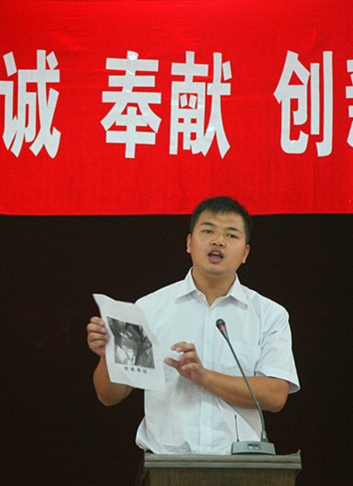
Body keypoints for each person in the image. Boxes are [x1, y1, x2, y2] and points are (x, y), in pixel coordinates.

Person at [87, 196, 299, 459]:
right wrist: (107, 356)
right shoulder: (149, 309)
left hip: (241, 466)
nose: (218, 241)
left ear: (245, 253)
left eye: (231, 235)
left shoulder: (269, 314)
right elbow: (109, 396)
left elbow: (276, 396)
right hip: (167, 467)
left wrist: (204, 377)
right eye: (208, 231)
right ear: (189, 243)